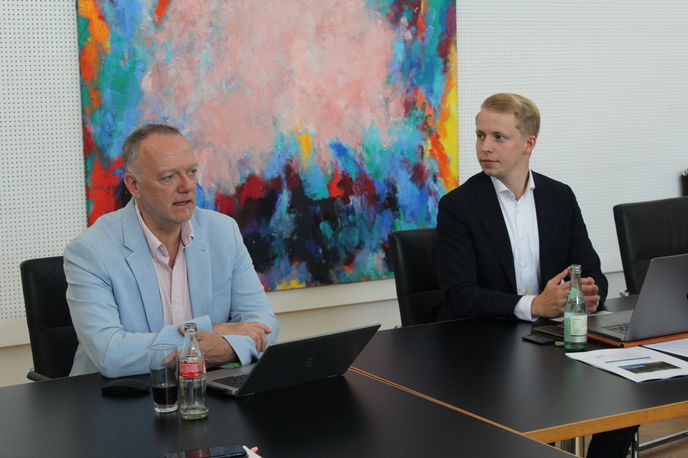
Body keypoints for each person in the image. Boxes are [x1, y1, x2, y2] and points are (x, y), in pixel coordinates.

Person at [436, 93, 635, 458]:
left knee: (627, 398)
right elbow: (458, 294)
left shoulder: (559, 197)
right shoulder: (458, 206)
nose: (485, 147)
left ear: (529, 143)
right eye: (480, 135)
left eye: (498, 137)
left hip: (552, 341)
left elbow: (591, 272)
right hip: (485, 349)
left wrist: (588, 293)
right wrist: (535, 304)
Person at [64, 124, 279, 378]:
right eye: (169, 177)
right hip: (116, 398)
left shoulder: (223, 232)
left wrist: (221, 348)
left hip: (202, 391)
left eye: (191, 172)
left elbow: (264, 326)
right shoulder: (90, 251)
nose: (187, 186)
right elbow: (111, 354)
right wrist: (211, 331)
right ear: (134, 185)